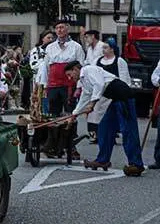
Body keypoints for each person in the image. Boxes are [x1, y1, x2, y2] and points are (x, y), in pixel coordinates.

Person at [67, 62, 145, 176]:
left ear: (75, 69)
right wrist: (74, 115)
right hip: (115, 99)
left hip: (123, 97)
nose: (70, 78)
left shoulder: (89, 70)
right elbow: (85, 97)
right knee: (104, 128)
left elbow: (99, 84)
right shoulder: (83, 80)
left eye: (70, 74)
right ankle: (103, 160)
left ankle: (136, 164)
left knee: (128, 131)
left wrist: (93, 103)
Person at [36, 19, 85, 157]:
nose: (59, 30)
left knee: (71, 114)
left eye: (62, 27)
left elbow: (82, 68)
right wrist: (45, 85)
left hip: (69, 85)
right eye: (57, 28)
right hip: (53, 85)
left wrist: (79, 87)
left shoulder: (76, 47)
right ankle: (53, 145)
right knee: (53, 115)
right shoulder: (50, 47)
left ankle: (71, 145)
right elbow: (45, 67)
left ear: (68, 29)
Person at [92, 39, 130, 144]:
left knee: (119, 118)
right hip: (103, 95)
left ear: (112, 49)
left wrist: (123, 93)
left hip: (117, 94)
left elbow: (124, 78)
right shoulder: (97, 61)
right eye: (103, 47)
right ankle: (103, 138)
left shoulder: (119, 61)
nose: (103, 50)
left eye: (105, 47)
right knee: (102, 119)